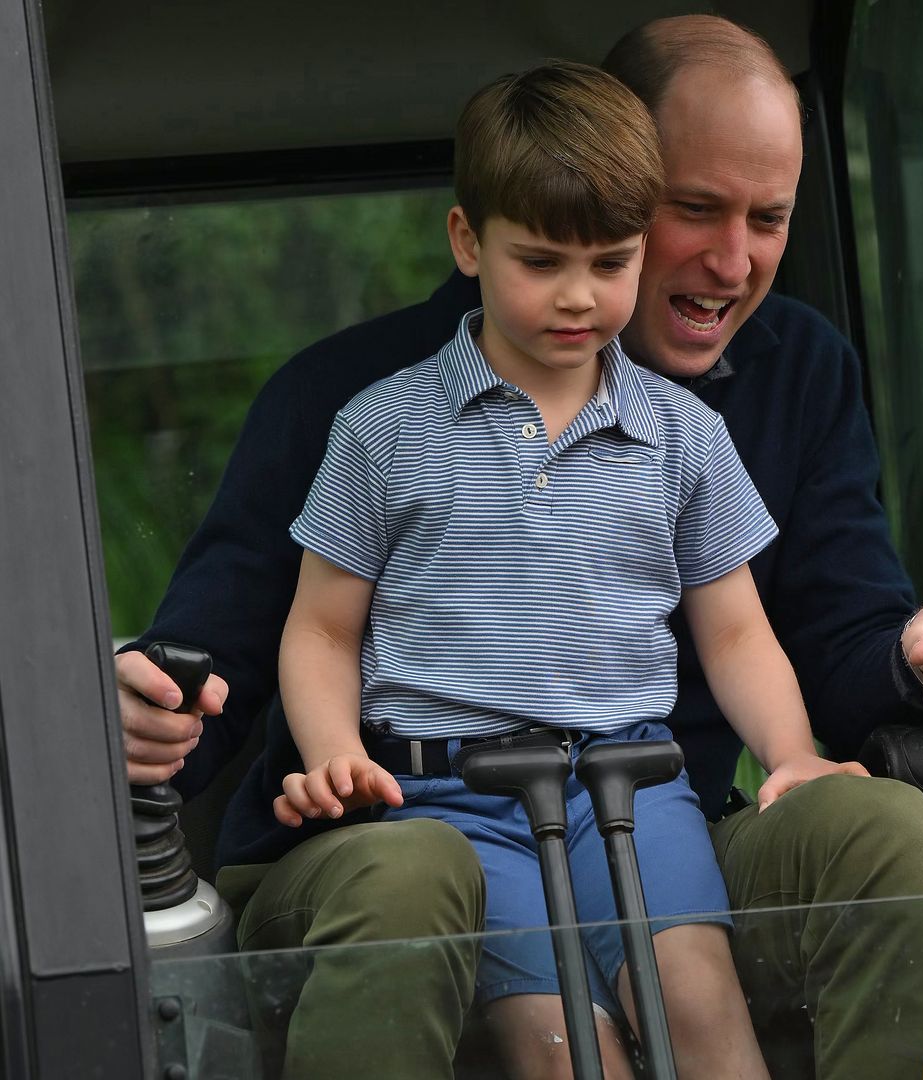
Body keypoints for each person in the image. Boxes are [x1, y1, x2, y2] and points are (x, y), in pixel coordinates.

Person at [116, 13, 923, 1080]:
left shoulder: (780, 382)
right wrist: (158, 717)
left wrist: (914, 660)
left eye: (770, 218)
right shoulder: (361, 411)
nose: (733, 261)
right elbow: (239, 647)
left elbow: (808, 633)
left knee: (875, 833)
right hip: (420, 822)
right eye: (697, 209)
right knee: (445, 915)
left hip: (654, 811)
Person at [273, 58, 871, 1079]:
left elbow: (734, 631)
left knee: (703, 1021)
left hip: (635, 786)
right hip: (455, 800)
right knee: (558, 1051)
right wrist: (336, 753)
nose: (579, 298)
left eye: (611, 262)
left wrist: (792, 757)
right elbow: (323, 629)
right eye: (542, 261)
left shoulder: (683, 434)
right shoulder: (381, 429)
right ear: (469, 242)